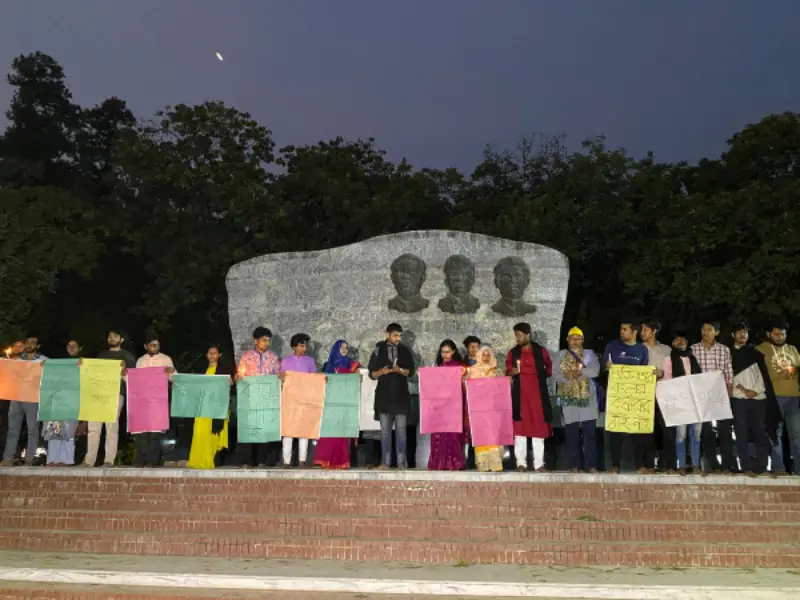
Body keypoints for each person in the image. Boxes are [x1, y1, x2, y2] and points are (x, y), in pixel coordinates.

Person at [80, 329, 136, 468]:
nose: (111, 339)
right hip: (98, 394)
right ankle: (89, 460)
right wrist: (83, 366)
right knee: (93, 427)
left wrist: (125, 371)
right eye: (109, 337)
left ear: (121, 340)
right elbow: (93, 373)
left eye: (115, 336)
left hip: (116, 394)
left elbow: (134, 378)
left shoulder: (127, 356)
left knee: (111, 427)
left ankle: (108, 460)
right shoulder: (101, 355)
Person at [730, 322, 777, 477]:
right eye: (739, 332)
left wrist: (754, 391)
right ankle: (746, 466)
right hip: (739, 399)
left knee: (760, 432)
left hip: (758, 399)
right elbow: (728, 376)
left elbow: (762, 376)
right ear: (733, 335)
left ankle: (762, 465)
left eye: (745, 332)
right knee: (741, 433)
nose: (742, 335)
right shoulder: (728, 354)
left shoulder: (755, 353)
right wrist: (744, 390)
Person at [602, 319, 649, 474]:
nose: (622, 332)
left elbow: (644, 373)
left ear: (634, 331)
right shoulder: (612, 347)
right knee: (615, 431)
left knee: (638, 431)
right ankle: (615, 465)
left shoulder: (642, 350)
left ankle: (639, 465)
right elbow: (604, 368)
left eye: (625, 329)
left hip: (635, 397)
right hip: (617, 396)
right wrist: (607, 367)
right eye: (621, 329)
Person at [552, 327, 601, 473]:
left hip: (587, 397)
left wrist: (580, 372)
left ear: (582, 340)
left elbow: (595, 371)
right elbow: (554, 373)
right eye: (572, 338)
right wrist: (566, 376)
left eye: (578, 338)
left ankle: (591, 464)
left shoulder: (589, 354)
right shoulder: (560, 355)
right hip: (568, 397)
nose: (575, 341)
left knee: (589, 434)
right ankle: (574, 465)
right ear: (567, 340)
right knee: (571, 433)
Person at [505, 322, 553, 472]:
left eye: (519, 335)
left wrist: (542, 373)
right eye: (516, 336)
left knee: (538, 429)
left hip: (537, 396)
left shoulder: (541, 351)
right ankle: (521, 463)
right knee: (520, 430)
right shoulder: (513, 353)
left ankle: (539, 464)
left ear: (528, 335)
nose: (517, 339)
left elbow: (549, 368)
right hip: (520, 396)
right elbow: (507, 370)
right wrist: (511, 372)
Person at [368, 323, 415, 469]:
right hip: (384, 397)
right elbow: (372, 374)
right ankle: (385, 462)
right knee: (385, 432)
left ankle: (402, 462)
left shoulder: (405, 351)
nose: (398, 338)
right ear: (387, 334)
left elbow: (410, 372)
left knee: (401, 432)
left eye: (399, 336)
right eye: (395, 335)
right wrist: (382, 371)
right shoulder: (378, 350)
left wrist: (399, 369)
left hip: (401, 397)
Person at [691, 320, 736, 474]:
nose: (705, 332)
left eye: (709, 330)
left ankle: (727, 465)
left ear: (716, 332)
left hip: (720, 394)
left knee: (725, 430)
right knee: (706, 431)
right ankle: (714, 465)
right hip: (701, 396)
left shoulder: (724, 350)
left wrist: (729, 394)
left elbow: (729, 373)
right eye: (703, 329)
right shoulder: (693, 349)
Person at [756, 321, 800, 475]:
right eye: (776, 333)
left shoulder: (793, 349)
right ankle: (778, 468)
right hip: (773, 397)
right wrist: (778, 376)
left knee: (797, 434)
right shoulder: (761, 349)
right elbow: (757, 375)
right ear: (769, 334)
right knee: (776, 433)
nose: (780, 337)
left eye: (783, 334)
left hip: (794, 397)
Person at [235, 326, 281, 468]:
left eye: (268, 341)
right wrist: (238, 377)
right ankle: (246, 461)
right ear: (256, 341)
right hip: (249, 399)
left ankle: (262, 460)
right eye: (263, 340)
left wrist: (280, 377)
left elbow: (278, 375)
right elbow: (240, 374)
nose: (266, 343)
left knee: (264, 428)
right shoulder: (246, 356)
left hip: (266, 399)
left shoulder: (273, 357)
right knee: (248, 428)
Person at [314, 340, 360, 469]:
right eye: (342, 348)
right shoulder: (328, 366)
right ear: (336, 349)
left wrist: (358, 378)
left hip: (345, 405)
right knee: (329, 434)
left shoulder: (353, 366)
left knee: (342, 435)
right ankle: (325, 461)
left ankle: (341, 462)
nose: (345, 350)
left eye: (346, 347)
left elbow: (357, 382)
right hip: (330, 405)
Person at [662, 330, 703, 473]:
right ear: (672, 343)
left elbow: (700, 379)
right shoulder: (668, 360)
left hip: (696, 401)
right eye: (677, 339)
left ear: (687, 342)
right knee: (681, 434)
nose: (680, 341)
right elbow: (667, 380)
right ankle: (682, 465)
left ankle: (696, 465)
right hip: (680, 401)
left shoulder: (693, 358)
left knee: (696, 434)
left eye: (683, 339)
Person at [187, 344, 232, 470]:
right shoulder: (202, 369)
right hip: (202, 407)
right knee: (200, 432)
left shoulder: (224, 370)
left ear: (219, 355)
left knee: (212, 433)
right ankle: (198, 459)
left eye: (215, 353)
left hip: (216, 407)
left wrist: (230, 383)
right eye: (210, 353)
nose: (212, 355)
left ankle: (210, 459)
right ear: (206, 355)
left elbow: (228, 387)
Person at [134, 334, 176, 468]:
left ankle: (153, 460)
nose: (154, 347)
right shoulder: (140, 361)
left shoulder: (165, 359)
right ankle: (141, 460)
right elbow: (135, 379)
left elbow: (174, 379)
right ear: (146, 346)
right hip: (142, 400)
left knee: (155, 432)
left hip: (158, 401)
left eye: (157, 345)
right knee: (141, 431)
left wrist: (172, 372)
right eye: (152, 345)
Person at [640, 318, 676, 473]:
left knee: (667, 430)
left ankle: (669, 465)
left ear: (654, 331)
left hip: (663, 393)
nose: (642, 333)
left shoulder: (666, 350)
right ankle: (648, 465)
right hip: (644, 395)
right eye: (641, 330)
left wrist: (662, 373)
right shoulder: (638, 348)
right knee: (647, 430)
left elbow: (673, 370)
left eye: (645, 330)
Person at [0, 339, 42, 467]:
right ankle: (8, 458)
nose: (30, 345)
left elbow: (55, 370)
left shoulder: (43, 360)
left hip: (32, 398)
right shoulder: (17, 361)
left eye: (33, 343)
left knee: (32, 429)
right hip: (16, 397)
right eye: (27, 343)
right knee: (13, 429)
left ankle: (30, 458)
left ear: (38, 346)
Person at [279, 333, 317, 468]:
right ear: (294, 346)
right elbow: (281, 380)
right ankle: (286, 460)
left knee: (304, 430)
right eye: (301, 345)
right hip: (289, 400)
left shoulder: (310, 361)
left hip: (305, 400)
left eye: (305, 345)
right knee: (287, 431)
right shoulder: (285, 361)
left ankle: (302, 460)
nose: (304, 348)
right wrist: (281, 378)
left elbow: (314, 380)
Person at [428, 340, 467, 471]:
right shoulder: (437, 367)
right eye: (443, 352)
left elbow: (464, 388)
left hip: (453, 407)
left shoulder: (459, 368)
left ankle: (453, 463)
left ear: (454, 352)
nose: (445, 355)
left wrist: (463, 378)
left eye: (448, 352)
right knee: (439, 435)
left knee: (453, 435)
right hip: (440, 407)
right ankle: (439, 463)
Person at [470, 347, 504, 472]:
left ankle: (495, 464)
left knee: (493, 436)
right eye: (483, 355)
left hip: (493, 408)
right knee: (482, 435)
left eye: (488, 355)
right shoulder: (473, 370)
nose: (486, 358)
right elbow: (468, 389)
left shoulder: (496, 371)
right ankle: (483, 464)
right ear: (479, 356)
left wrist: (503, 380)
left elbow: (502, 391)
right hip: (479, 409)